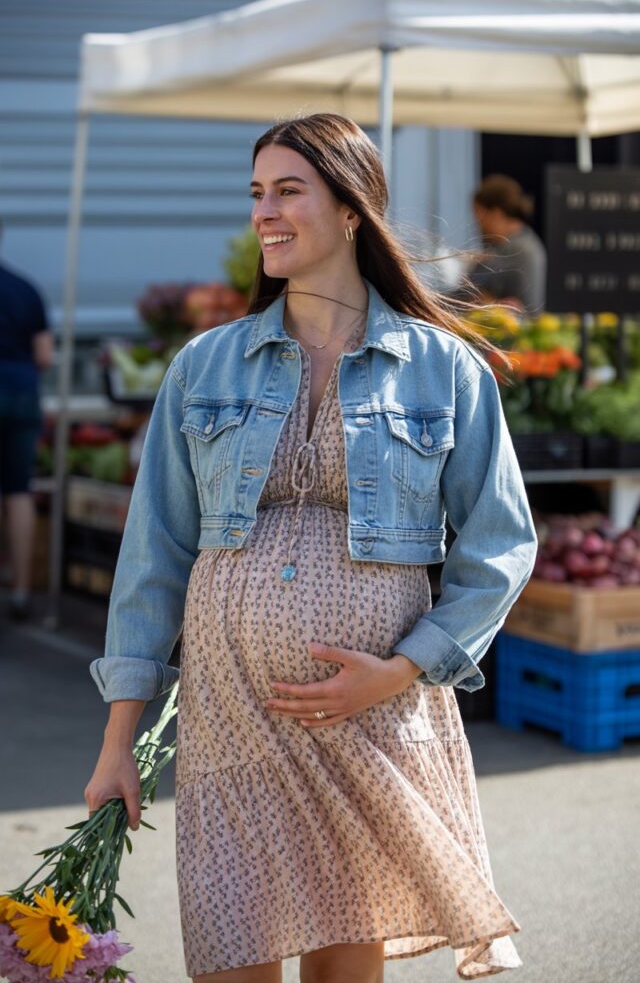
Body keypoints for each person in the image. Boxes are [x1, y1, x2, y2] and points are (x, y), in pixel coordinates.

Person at [85, 114, 538, 983]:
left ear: (353, 209)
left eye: (289, 190)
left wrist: (403, 669)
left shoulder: (443, 368)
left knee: (342, 963)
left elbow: (501, 544)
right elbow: (153, 557)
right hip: (232, 721)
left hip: (368, 718)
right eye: (257, 193)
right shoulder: (204, 366)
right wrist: (118, 743)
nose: (266, 212)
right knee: (231, 953)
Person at [0, 222, 54, 620]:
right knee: (19, 490)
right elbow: (45, 356)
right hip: (21, 392)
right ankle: (20, 590)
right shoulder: (26, 289)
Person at [462, 174, 547, 316]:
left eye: (479, 217)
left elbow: (465, 292)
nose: (478, 226)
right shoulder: (527, 241)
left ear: (496, 214)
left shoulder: (512, 248)